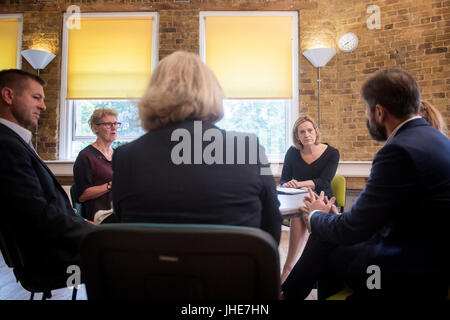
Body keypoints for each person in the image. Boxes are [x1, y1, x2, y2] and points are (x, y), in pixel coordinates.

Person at [282, 68, 450, 300]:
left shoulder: (398, 151)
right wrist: (331, 217)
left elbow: (353, 229)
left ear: (379, 112)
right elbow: (383, 217)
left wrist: (315, 216)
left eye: (366, 111)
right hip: (430, 260)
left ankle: (286, 295)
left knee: (324, 241)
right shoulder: (439, 141)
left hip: (397, 272)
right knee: (327, 239)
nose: (366, 117)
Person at [112, 51, 282, 244]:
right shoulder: (248, 149)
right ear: (212, 93)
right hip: (232, 272)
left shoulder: (125, 156)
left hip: (150, 273)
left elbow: (123, 226)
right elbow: (271, 232)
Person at [0, 69, 94, 277]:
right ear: (8, 95)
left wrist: (83, 223)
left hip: (55, 247)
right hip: (52, 258)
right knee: (135, 254)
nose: (43, 106)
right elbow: (38, 216)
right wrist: (97, 234)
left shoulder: (15, 142)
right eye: (36, 97)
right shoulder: (6, 145)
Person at [279, 116, 339, 283]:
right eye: (302, 132)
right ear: (297, 136)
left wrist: (299, 183)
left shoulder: (332, 153)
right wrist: (289, 184)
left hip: (322, 198)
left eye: (310, 130)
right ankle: (289, 269)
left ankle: (299, 270)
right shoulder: (292, 152)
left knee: (303, 212)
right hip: (299, 200)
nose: (307, 134)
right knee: (301, 211)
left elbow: (324, 181)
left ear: (316, 132)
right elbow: (283, 180)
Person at [73, 108, 119, 222]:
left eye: (115, 123)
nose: (114, 127)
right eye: (108, 124)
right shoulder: (85, 156)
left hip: (119, 209)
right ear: (95, 128)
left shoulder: (118, 154)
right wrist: (110, 185)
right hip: (101, 214)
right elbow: (82, 195)